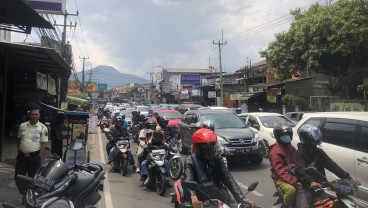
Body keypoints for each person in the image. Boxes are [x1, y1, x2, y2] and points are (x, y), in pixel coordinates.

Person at [182, 128, 256, 208]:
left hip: (217, 196)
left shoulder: (217, 158)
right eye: (204, 145)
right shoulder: (191, 160)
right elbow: (188, 180)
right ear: (197, 147)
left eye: (211, 144)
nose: (208, 147)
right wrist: (193, 196)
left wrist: (241, 197)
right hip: (198, 198)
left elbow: (228, 178)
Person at [294, 124, 359, 208]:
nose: (315, 143)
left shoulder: (319, 152)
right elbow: (301, 169)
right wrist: (311, 181)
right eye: (313, 141)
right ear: (306, 140)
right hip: (305, 187)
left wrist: (348, 178)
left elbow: (332, 166)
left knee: (330, 205)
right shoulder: (299, 154)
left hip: (320, 186)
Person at [15, 108, 48, 196]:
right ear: (29, 115)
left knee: (33, 179)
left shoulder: (43, 128)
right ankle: (26, 194)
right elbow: (18, 140)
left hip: (34, 157)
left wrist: (40, 156)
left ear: (39, 116)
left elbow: (43, 144)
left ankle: (30, 196)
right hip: (22, 157)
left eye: (36, 114)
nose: (34, 116)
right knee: (18, 178)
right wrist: (18, 153)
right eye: (32, 114)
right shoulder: (22, 126)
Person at [268, 123, 298, 207]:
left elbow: (297, 160)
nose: (287, 137)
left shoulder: (290, 147)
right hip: (280, 178)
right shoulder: (275, 152)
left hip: (294, 174)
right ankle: (286, 206)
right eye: (284, 135)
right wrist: (294, 181)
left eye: (288, 134)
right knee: (291, 190)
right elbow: (280, 171)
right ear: (277, 136)